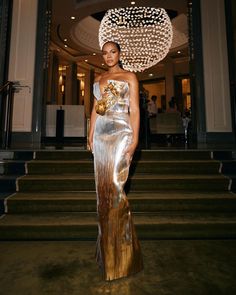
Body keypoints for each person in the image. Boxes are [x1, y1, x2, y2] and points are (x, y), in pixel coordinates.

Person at [88, 41, 143, 281]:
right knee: (103, 194)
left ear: (119, 54)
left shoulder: (130, 76)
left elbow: (135, 110)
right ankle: (107, 252)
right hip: (101, 135)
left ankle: (124, 257)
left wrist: (135, 142)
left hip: (121, 134)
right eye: (105, 53)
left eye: (113, 52)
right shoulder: (99, 79)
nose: (109, 56)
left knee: (116, 190)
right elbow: (97, 109)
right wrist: (90, 135)